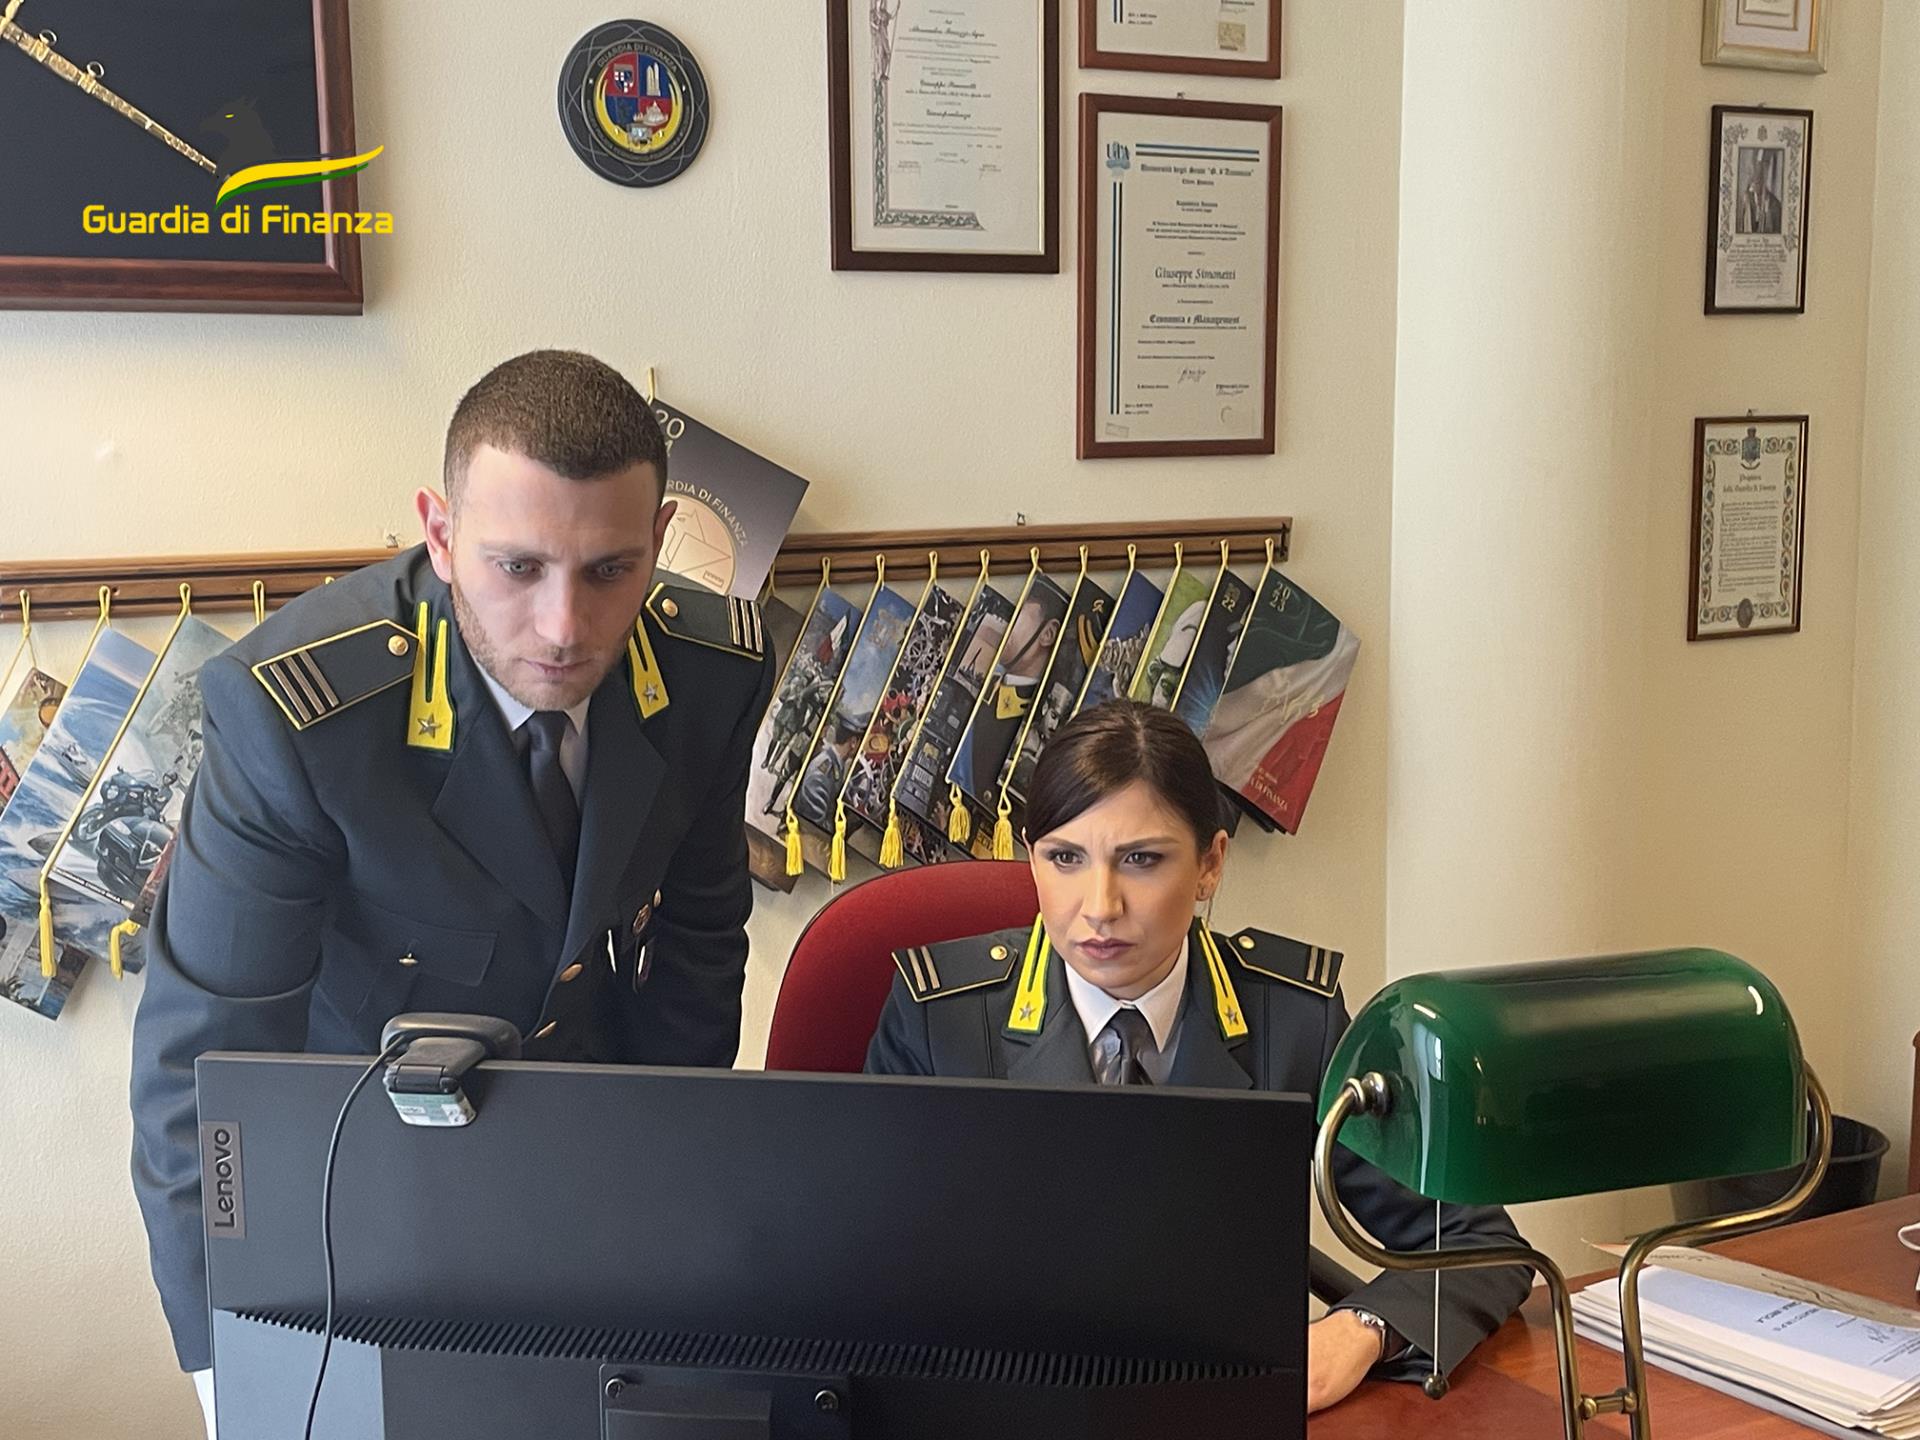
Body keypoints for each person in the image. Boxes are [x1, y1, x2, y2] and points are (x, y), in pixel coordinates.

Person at [129, 350, 775, 1423]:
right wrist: (231, 1366)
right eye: (517, 567)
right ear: (438, 533)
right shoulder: (297, 716)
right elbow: (205, 1063)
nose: (564, 628)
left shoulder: (714, 673)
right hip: (363, 1179)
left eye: (610, 570)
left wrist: (664, 1205)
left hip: (593, 1149)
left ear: (661, 543)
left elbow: (701, 950)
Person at [866, 699, 1532, 1414]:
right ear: (1032, 860)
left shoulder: (1294, 1019)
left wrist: (1361, 1329)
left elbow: (1478, 1243)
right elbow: (866, 1267)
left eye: (1141, 860)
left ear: (1210, 864)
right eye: (1065, 858)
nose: (1100, 906)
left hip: (1223, 1407)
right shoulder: (939, 1018)